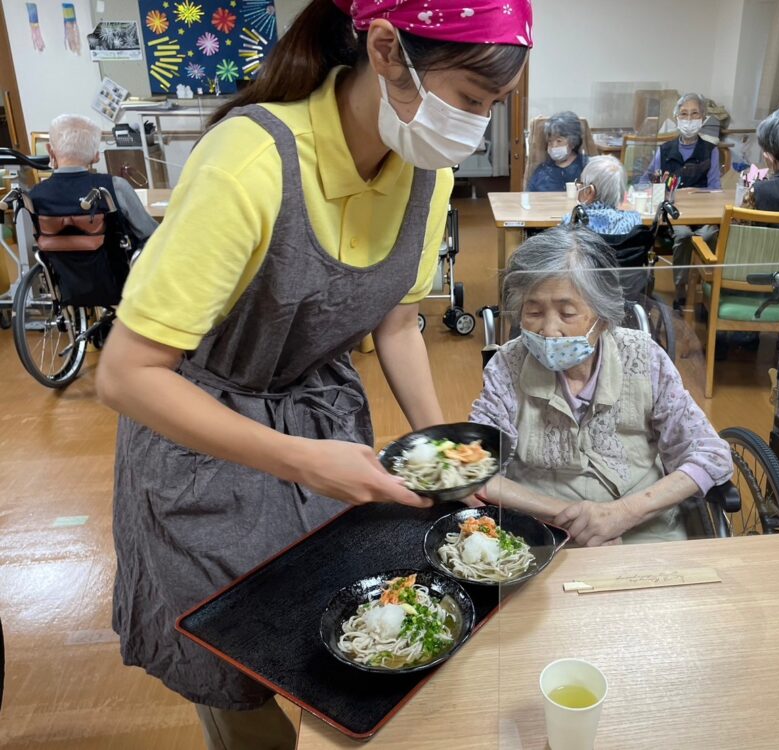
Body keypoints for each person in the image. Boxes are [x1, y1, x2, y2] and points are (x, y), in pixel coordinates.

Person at [95, 1, 530, 747]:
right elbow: (127, 375)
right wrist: (304, 461)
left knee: (336, 644)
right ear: (387, 50)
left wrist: (446, 450)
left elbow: (396, 321)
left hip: (321, 422)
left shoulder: (424, 172)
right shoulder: (252, 160)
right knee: (235, 659)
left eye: (491, 107)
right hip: (203, 441)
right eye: (468, 99)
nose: (475, 126)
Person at [470, 226, 733, 546]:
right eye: (534, 311)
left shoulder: (643, 357)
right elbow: (476, 471)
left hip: (645, 530)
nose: (550, 330)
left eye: (567, 313)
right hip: (541, 535)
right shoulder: (507, 367)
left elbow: (709, 453)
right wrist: (580, 520)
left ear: (603, 316)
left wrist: (623, 514)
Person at [30, 114, 159, 246]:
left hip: (56, 266)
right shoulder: (115, 187)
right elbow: (151, 234)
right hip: (118, 265)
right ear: (96, 156)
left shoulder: (35, 195)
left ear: (50, 151)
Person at [641, 93, 720, 307]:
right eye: (684, 114)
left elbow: (715, 189)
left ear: (703, 118)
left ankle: (706, 286)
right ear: (677, 118)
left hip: (703, 213)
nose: (689, 119)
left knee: (708, 233)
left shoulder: (711, 150)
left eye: (694, 114)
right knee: (684, 235)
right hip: (675, 214)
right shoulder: (664, 150)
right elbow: (645, 180)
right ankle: (681, 289)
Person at [562, 155, 642, 235]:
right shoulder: (634, 220)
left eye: (581, 184)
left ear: (589, 191)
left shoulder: (572, 221)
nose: (579, 187)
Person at [527, 111, 588, 192]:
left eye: (559, 141)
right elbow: (530, 198)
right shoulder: (541, 171)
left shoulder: (587, 167)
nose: (553, 146)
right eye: (550, 141)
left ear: (573, 142)